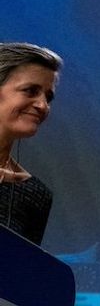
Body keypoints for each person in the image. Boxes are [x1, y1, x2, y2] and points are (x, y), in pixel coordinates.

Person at [0, 42, 61, 245]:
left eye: (48, 97)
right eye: (30, 91)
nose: (42, 105)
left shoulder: (36, 195)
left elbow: (23, 272)